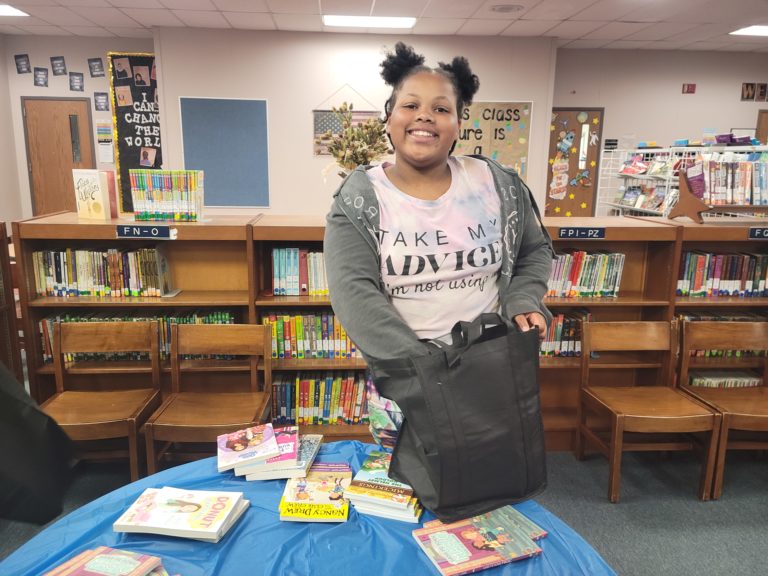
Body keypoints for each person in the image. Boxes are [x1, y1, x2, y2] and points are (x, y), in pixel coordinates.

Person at [324, 42, 553, 450]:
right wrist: (431, 368)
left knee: (489, 483)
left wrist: (524, 302)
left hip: (492, 368)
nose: (424, 115)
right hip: (405, 377)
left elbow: (534, 252)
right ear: (389, 118)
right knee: (407, 490)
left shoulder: (496, 184)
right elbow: (354, 295)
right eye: (410, 105)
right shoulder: (360, 198)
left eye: (441, 108)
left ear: (459, 124)